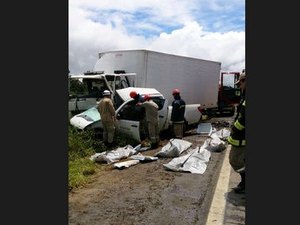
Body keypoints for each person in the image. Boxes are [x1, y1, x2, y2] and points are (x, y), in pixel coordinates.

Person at [227, 71, 246, 194]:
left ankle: (245, 183)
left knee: (235, 160)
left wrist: (235, 128)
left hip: (241, 136)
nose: (239, 86)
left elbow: (243, 119)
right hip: (241, 136)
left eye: (240, 83)